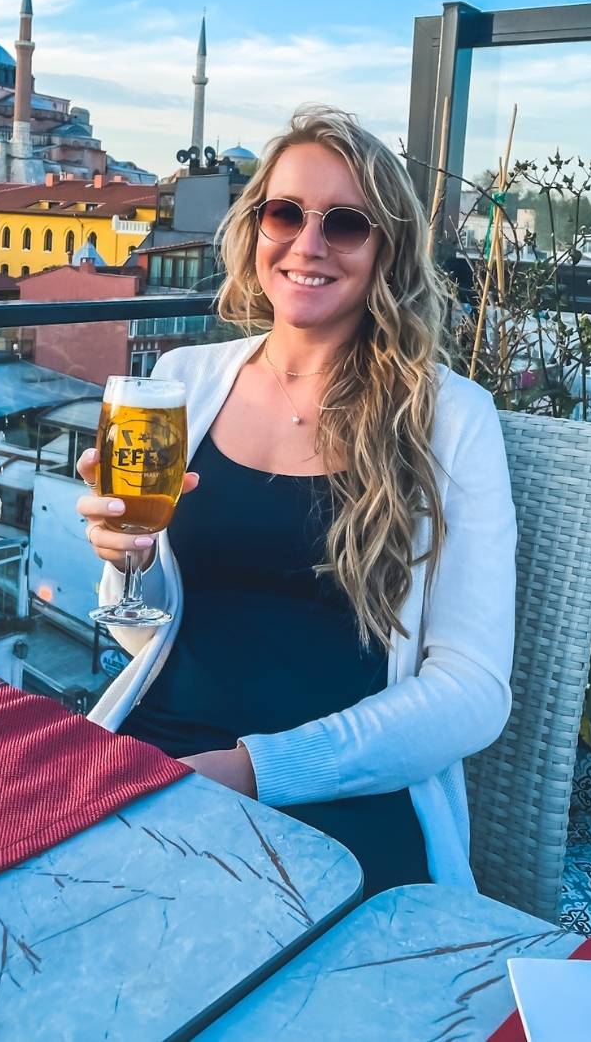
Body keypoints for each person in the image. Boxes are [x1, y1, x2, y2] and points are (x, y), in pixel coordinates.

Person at [77, 105, 516, 895]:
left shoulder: (451, 418)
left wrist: (254, 770)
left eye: (344, 224)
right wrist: (127, 560)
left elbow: (474, 692)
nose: (308, 245)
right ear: (255, 228)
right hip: (162, 748)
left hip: (342, 788)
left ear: (386, 251)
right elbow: (138, 631)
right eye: (286, 213)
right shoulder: (180, 382)